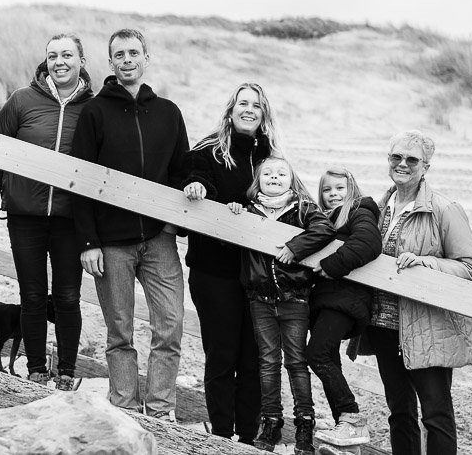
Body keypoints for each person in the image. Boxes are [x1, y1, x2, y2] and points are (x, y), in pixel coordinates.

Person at [70, 28, 189, 421]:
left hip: (158, 240)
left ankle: (158, 412)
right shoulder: (95, 112)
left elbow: (180, 171)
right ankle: (124, 410)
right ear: (110, 62)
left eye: (133, 53)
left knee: (169, 327)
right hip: (111, 242)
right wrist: (88, 242)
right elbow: (81, 179)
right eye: (118, 54)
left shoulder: (168, 112)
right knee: (120, 333)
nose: (127, 60)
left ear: (146, 58)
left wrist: (174, 224)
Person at [361, 130, 472, 454]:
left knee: (436, 414)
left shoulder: (444, 209)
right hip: (384, 327)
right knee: (399, 413)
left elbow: (471, 268)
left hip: (427, 328)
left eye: (412, 159)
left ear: (426, 166)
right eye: (396, 157)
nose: (402, 164)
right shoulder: (379, 206)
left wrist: (427, 263)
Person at [0, 33, 93, 390]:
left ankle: (65, 370)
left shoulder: (93, 107)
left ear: (82, 60)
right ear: (45, 61)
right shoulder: (21, 100)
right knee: (32, 295)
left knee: (67, 296)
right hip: (25, 217)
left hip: (70, 220)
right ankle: (35, 369)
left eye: (67, 55)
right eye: (52, 56)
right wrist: (10, 190)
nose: (59, 61)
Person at [182, 83, 280, 444]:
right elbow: (196, 178)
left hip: (256, 276)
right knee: (222, 354)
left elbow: (289, 198)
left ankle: (248, 436)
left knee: (253, 358)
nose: (249, 109)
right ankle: (222, 434)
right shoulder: (209, 151)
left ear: (263, 114)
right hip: (214, 271)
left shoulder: (271, 158)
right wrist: (197, 187)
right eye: (243, 103)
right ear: (231, 110)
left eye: (256, 105)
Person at [230, 156, 334, 455]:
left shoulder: (303, 209)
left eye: (281, 173)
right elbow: (228, 237)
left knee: (297, 363)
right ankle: (272, 420)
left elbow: (324, 230)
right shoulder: (248, 209)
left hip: (295, 298)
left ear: (292, 180)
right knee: (267, 362)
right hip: (259, 299)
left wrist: (294, 247)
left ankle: (304, 424)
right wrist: (234, 213)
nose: (274, 177)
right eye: (267, 173)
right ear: (258, 180)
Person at [307, 167, 382, 448]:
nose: (333, 194)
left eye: (339, 188)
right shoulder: (325, 217)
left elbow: (368, 242)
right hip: (330, 300)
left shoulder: (359, 209)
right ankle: (347, 432)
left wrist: (331, 265)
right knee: (328, 358)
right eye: (327, 190)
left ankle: (352, 418)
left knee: (316, 354)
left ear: (351, 188)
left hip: (346, 299)